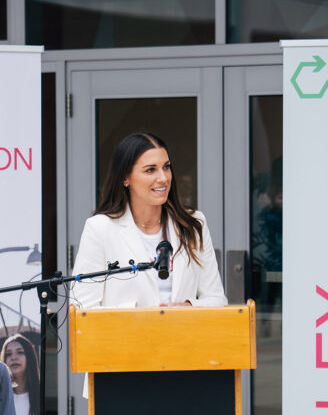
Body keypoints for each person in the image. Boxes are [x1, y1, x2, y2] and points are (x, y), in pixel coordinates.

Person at [71, 132, 226, 309]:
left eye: (166, 167)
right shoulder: (100, 228)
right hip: (125, 337)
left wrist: (189, 307)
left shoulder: (194, 223)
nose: (163, 178)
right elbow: (82, 308)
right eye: (150, 170)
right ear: (125, 178)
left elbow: (216, 299)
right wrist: (143, 318)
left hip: (183, 334)